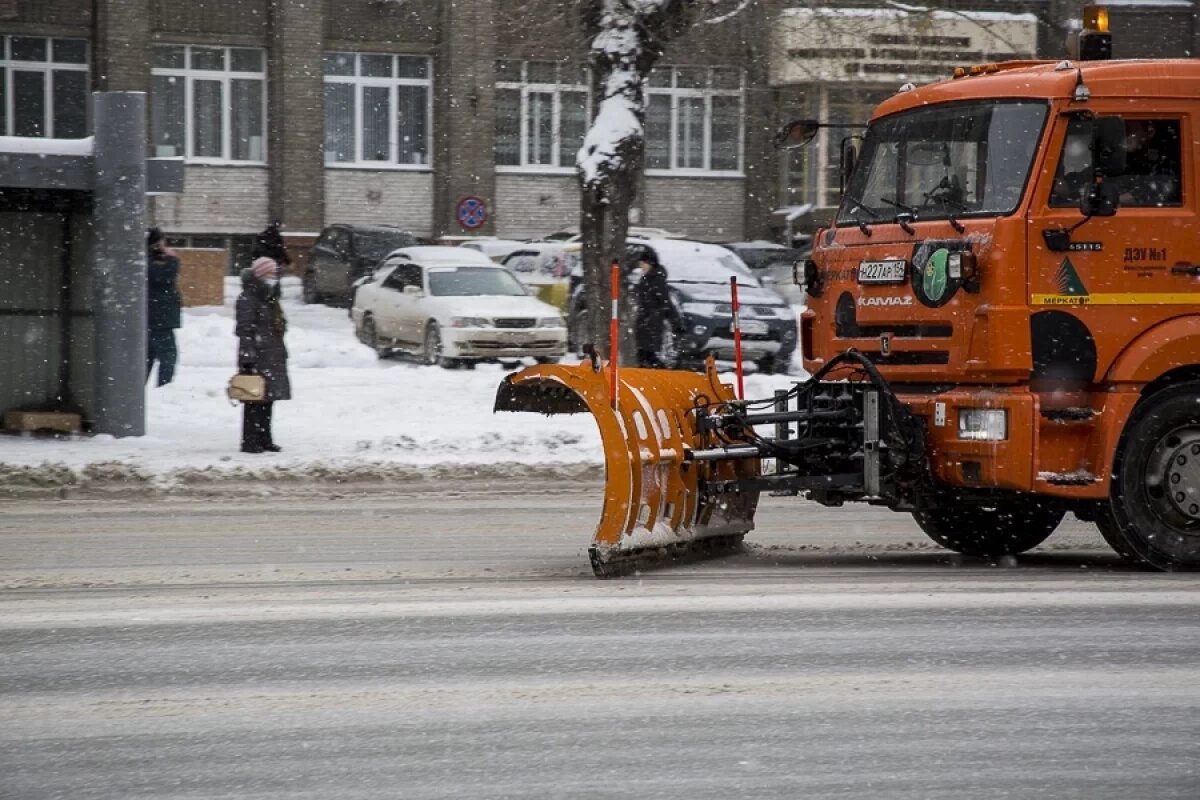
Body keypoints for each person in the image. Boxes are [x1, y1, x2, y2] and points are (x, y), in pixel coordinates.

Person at [235, 256, 290, 453]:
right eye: (270, 274)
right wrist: (247, 356)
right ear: (259, 275)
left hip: (272, 354)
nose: (273, 278)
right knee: (253, 400)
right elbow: (244, 330)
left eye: (275, 274)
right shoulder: (248, 298)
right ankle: (250, 441)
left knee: (268, 400)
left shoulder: (269, 297)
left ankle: (265, 438)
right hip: (257, 356)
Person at [632, 248, 685, 369]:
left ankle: (658, 377)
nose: (642, 267)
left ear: (651, 263)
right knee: (643, 355)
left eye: (643, 264)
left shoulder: (657, 280)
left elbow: (666, 303)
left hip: (652, 324)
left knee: (648, 356)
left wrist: (677, 324)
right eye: (641, 264)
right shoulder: (646, 279)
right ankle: (648, 378)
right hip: (644, 322)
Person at [145, 227, 182, 386]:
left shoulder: (151, 259)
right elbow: (164, 275)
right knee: (168, 355)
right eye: (161, 241)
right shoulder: (152, 262)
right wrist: (173, 260)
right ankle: (164, 388)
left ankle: (137, 387)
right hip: (159, 317)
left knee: (148, 355)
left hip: (156, 316)